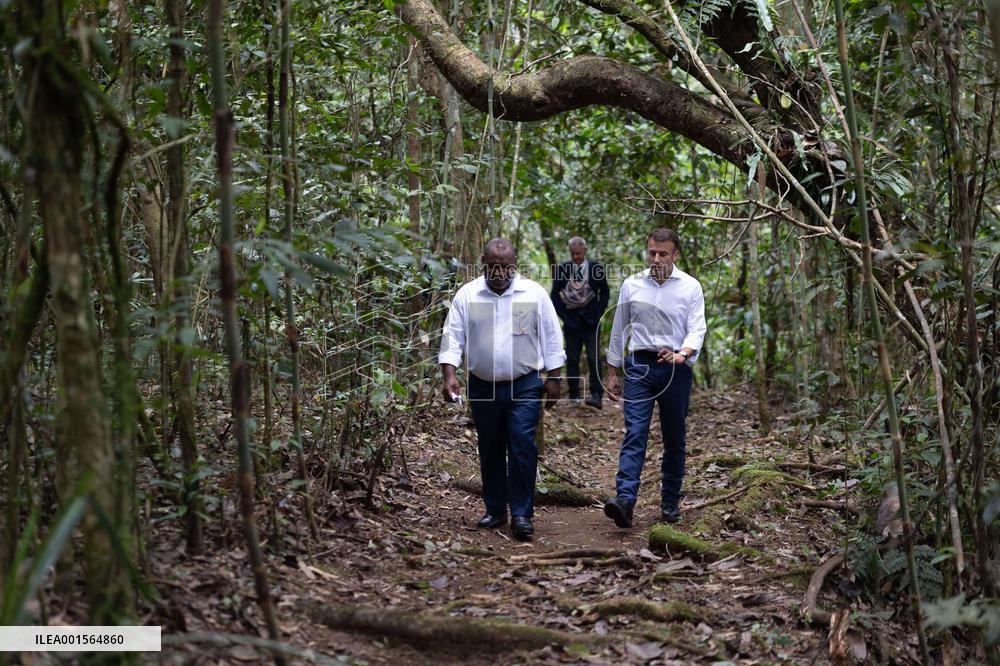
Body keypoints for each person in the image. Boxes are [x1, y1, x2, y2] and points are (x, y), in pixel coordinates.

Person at [439, 238, 565, 541]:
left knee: (522, 443)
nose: (498, 273)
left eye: (505, 267)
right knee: (491, 446)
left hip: (524, 383)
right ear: (483, 264)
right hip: (482, 385)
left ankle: (521, 513)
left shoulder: (532, 293)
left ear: (515, 265)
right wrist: (449, 375)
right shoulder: (468, 295)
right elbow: (453, 335)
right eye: (492, 266)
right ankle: (495, 509)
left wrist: (555, 378)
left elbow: (551, 335)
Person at [603, 228, 706, 528]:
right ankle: (625, 500)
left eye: (663, 253)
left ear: (676, 255)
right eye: (652, 253)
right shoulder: (632, 284)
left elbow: (697, 328)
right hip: (640, 367)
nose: (656, 259)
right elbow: (619, 328)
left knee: (675, 438)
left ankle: (670, 501)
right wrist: (612, 372)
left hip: (676, 367)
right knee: (635, 432)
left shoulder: (690, 287)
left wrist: (683, 354)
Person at [551, 237, 610, 408]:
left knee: (594, 359)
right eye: (573, 254)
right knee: (572, 360)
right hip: (571, 323)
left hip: (592, 322)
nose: (576, 257)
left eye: (578, 253)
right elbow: (555, 295)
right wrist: (564, 316)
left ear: (585, 251)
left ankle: (597, 395)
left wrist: (599, 311)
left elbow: (604, 292)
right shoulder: (563, 269)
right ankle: (574, 395)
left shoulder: (595, 267)